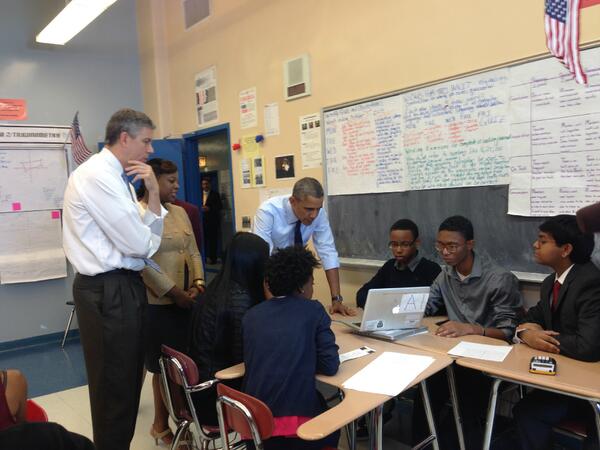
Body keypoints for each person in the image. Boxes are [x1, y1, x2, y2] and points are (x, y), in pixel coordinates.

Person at [62, 108, 166, 450]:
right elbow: (140, 244)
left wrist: (153, 193)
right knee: (114, 391)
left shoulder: (116, 177)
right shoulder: (97, 176)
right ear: (124, 138)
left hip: (123, 286)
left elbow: (144, 239)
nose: (151, 149)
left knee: (126, 383)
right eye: (146, 141)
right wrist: (146, 236)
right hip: (109, 289)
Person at [415, 215, 523, 449]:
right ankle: (422, 444)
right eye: (440, 245)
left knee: (466, 399)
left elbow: (508, 332)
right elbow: (427, 306)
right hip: (453, 354)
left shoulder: (499, 279)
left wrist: (471, 329)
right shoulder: (445, 275)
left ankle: (459, 441)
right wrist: (398, 307)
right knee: (424, 385)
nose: (444, 252)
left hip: (486, 360)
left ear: (470, 244)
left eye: (452, 246)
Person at [512, 215, 600, 450]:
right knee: (525, 409)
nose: (535, 245)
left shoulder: (591, 283)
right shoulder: (551, 282)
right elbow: (530, 319)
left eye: (543, 241)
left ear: (566, 249)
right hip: (564, 378)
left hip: (588, 386)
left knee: (528, 412)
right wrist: (526, 334)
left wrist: (540, 340)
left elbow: (587, 346)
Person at [242, 246, 340, 450]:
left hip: (253, 427)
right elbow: (330, 365)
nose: (312, 288)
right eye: (312, 282)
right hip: (296, 433)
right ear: (302, 287)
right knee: (335, 421)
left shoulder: (251, 315)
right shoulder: (313, 310)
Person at [137, 158, 205, 446]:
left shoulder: (179, 212)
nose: (177, 186)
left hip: (187, 302)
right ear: (152, 182)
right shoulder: (137, 213)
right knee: (162, 369)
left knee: (182, 367)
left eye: (177, 180)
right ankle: (163, 426)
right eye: (171, 181)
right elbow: (143, 262)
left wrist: (198, 284)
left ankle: (175, 424)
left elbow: (193, 251)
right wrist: (175, 293)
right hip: (158, 304)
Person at [188, 232, 270, 426]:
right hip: (220, 401)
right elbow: (246, 360)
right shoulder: (241, 301)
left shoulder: (217, 288)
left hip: (201, 392)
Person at [253, 177, 355, 316]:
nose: (314, 215)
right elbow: (264, 259)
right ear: (293, 201)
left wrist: (336, 299)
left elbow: (328, 251)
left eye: (318, 209)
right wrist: (274, 308)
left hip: (293, 271)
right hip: (267, 275)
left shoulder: (318, 214)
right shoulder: (268, 211)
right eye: (309, 209)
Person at [356, 218, 441, 308]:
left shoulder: (431, 269)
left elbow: (439, 305)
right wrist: (380, 306)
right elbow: (362, 294)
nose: (399, 250)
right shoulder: (389, 267)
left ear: (416, 243)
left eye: (405, 244)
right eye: (394, 244)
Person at [201, 178, 222, 264]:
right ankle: (204, 258)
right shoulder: (199, 194)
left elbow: (220, 206)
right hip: (202, 221)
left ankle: (213, 259)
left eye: (206, 184)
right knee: (203, 240)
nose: (205, 186)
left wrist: (209, 208)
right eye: (203, 184)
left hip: (212, 222)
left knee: (213, 241)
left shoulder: (215, 194)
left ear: (210, 184)